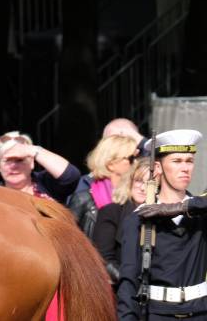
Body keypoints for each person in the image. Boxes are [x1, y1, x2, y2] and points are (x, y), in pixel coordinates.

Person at [116, 129, 207, 319]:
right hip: (157, 314)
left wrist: (183, 207)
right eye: (177, 161)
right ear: (157, 168)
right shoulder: (138, 219)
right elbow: (128, 284)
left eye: (189, 161)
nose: (185, 168)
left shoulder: (201, 212)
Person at [92, 157, 152, 288]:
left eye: (149, 183)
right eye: (138, 181)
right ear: (130, 182)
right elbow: (103, 258)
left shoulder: (160, 217)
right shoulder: (111, 212)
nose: (142, 188)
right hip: (119, 291)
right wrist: (130, 284)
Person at [67, 135, 138, 239]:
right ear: (110, 164)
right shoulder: (83, 199)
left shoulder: (136, 198)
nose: (136, 162)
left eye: (137, 157)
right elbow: (70, 241)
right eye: (131, 158)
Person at [0, 130, 81, 203]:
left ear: (32, 163)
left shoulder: (46, 183)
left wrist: (33, 150)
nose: (13, 166)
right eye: (7, 160)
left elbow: (70, 176)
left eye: (20, 160)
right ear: (0, 166)